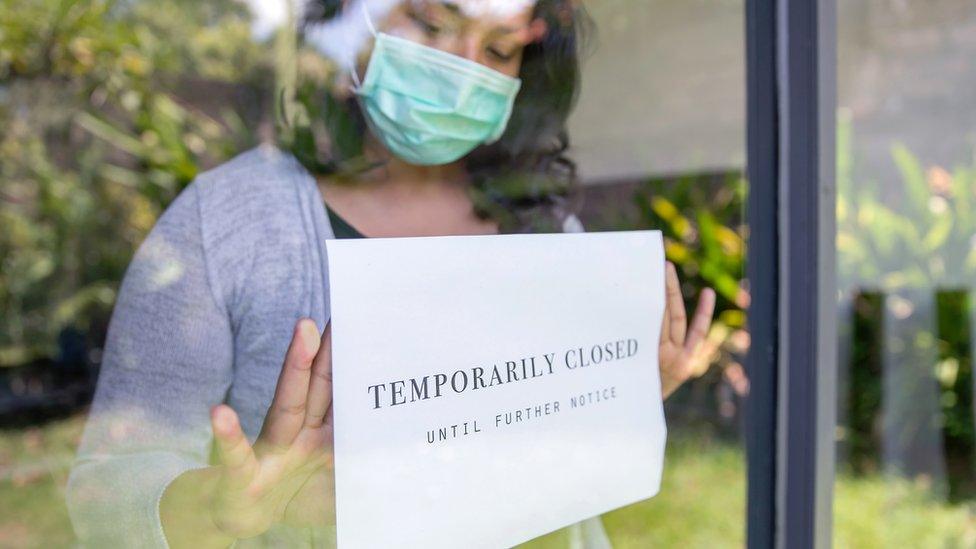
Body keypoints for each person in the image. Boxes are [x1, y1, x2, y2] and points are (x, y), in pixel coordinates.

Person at [65, 1, 716, 547]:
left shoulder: (544, 224)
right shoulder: (230, 218)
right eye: (433, 24)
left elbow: (542, 446)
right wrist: (217, 505)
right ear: (356, 21)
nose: (462, 68)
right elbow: (105, 487)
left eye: (498, 50)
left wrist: (621, 392)